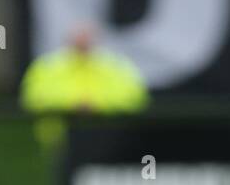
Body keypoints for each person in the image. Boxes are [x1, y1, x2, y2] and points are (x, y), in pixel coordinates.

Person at [20, 23, 148, 149]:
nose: (83, 45)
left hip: (111, 138)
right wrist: (73, 104)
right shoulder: (47, 67)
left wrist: (96, 105)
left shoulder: (116, 67)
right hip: (59, 141)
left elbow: (135, 97)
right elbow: (33, 97)